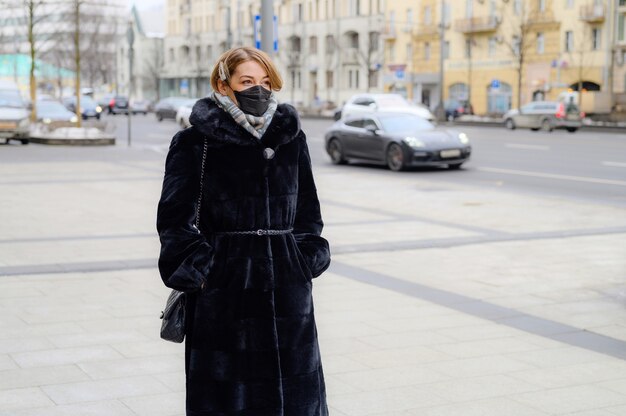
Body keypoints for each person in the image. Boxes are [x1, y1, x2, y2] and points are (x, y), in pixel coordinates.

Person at [156, 46, 331, 416]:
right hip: (223, 291)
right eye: (247, 81)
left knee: (294, 398)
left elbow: (308, 212)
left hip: (287, 291)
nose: (259, 90)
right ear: (224, 84)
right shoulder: (195, 142)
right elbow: (174, 218)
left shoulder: (290, 138)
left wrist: (305, 258)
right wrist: (199, 269)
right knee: (225, 399)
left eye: (266, 82)